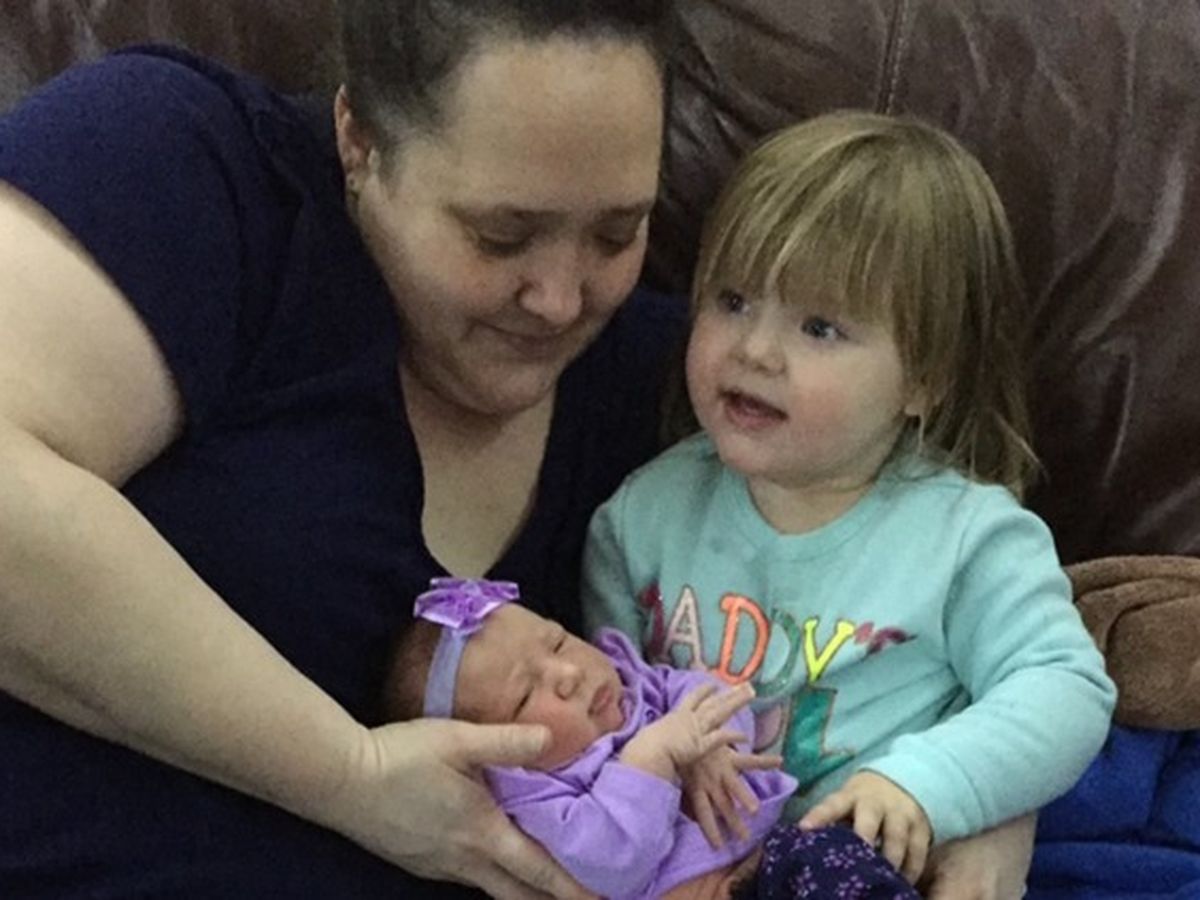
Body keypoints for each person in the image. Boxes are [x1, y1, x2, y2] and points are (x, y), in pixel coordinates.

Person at [0, 0, 1060, 891]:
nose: (561, 299)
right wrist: (349, 776)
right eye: (499, 235)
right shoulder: (190, 168)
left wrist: (977, 804)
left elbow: (908, 619)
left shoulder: (688, 397)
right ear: (359, 140)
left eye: (616, 233)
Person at [582, 112, 1118, 891]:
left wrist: (925, 785)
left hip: (866, 867)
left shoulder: (965, 537)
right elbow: (605, 709)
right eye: (733, 300)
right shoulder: (639, 518)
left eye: (820, 327)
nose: (755, 349)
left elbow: (1067, 690)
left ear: (924, 379)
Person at [383, 576, 923, 900]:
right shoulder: (536, 796)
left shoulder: (632, 680)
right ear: (494, 757)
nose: (566, 674)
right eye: (526, 695)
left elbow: (716, 694)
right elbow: (613, 862)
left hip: (771, 856)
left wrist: (712, 744)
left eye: (558, 641)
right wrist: (653, 758)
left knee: (838, 854)